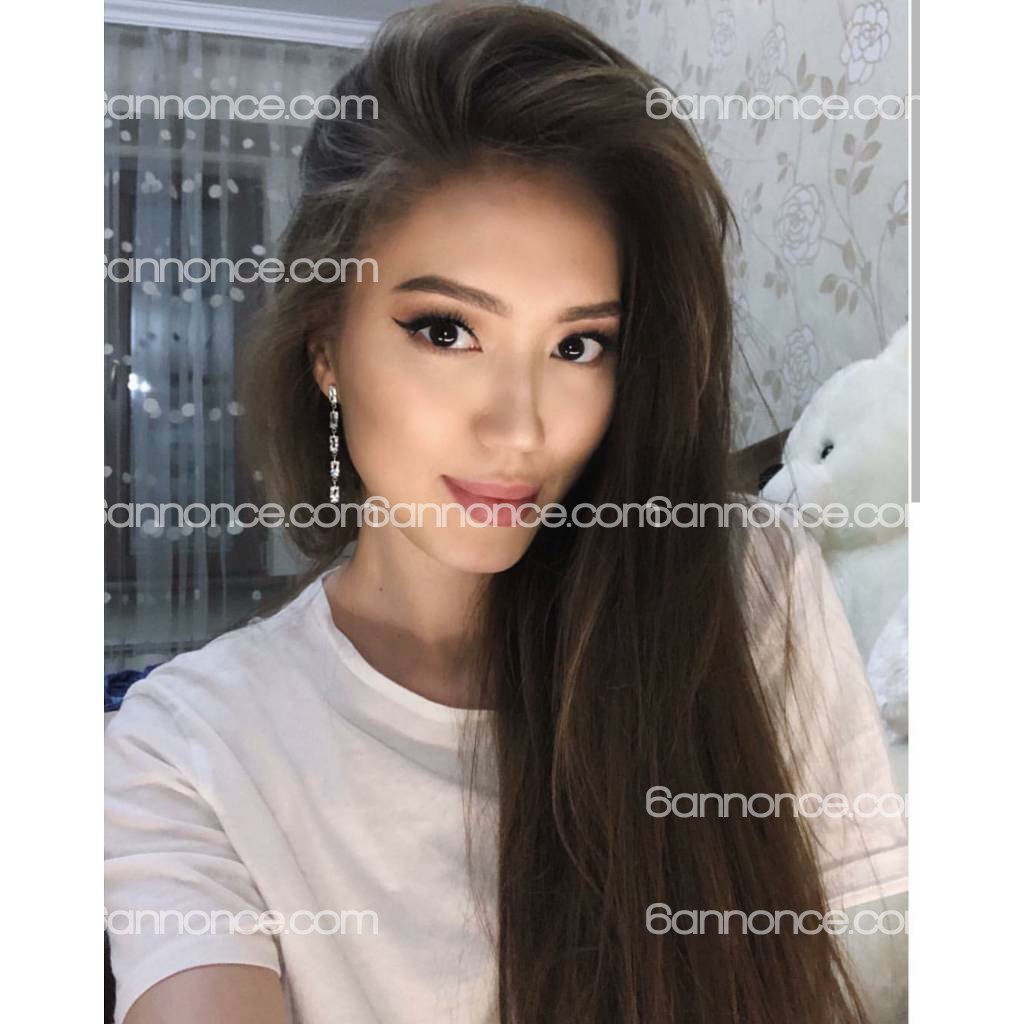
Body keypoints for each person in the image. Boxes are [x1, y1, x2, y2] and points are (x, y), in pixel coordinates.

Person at [104, 4, 908, 1022]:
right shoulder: (186, 749)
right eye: (446, 330)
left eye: (578, 345)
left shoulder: (746, 585)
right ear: (325, 346)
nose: (520, 428)